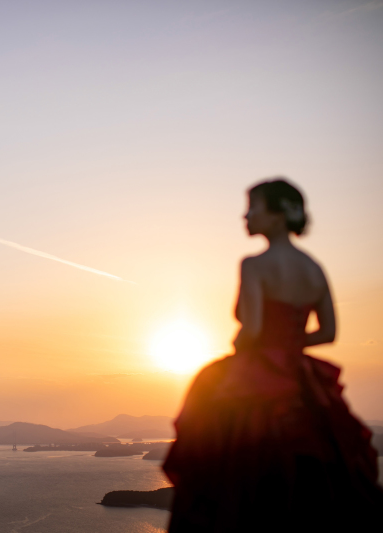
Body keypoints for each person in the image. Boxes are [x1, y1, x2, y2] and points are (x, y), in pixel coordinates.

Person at [163, 179, 383, 532]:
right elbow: (328, 333)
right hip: (302, 377)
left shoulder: (254, 265)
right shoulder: (314, 268)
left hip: (257, 372)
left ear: (278, 215)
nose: (245, 215)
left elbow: (251, 329)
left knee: (232, 472)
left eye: (253, 207)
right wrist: (290, 344)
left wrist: (251, 353)